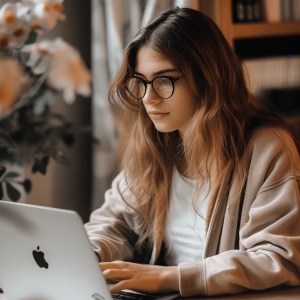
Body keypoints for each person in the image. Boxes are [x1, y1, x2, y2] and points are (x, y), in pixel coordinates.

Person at [84, 6, 300, 297]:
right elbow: (113, 222)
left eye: (165, 80)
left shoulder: (266, 149)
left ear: (208, 79)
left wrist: (170, 278)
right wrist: (90, 255)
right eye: (142, 82)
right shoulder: (155, 146)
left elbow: (279, 258)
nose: (149, 98)